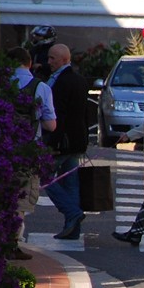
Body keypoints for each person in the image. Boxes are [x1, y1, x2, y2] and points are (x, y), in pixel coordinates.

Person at [9, 46, 58, 259]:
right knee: (21, 199)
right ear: (29, 63)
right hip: (27, 150)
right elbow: (50, 125)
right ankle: (12, 243)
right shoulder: (41, 88)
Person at [45, 43, 90, 240]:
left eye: (52, 58)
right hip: (77, 140)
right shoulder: (79, 80)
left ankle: (72, 213)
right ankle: (73, 228)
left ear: (64, 59)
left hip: (62, 142)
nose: (49, 62)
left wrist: (51, 143)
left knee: (44, 176)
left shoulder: (61, 82)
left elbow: (58, 115)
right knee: (70, 182)